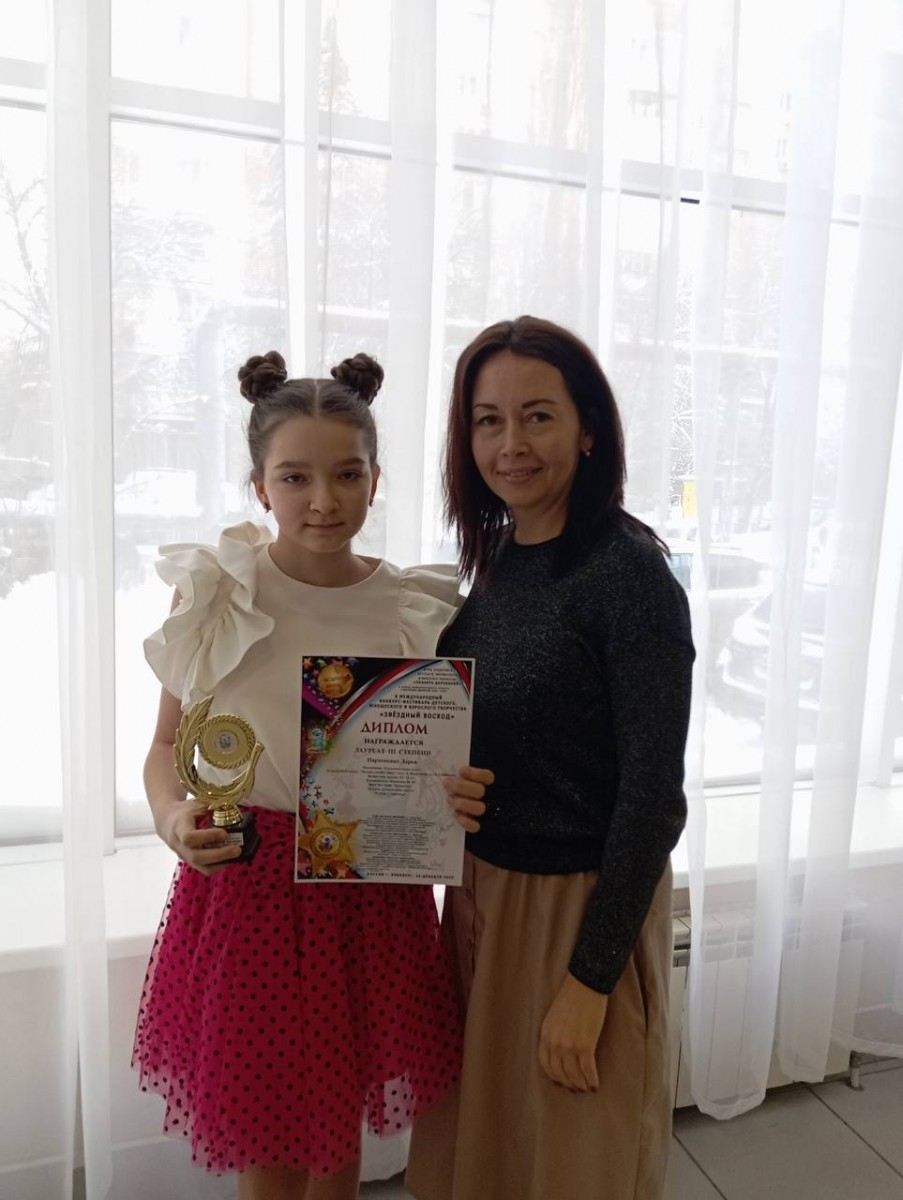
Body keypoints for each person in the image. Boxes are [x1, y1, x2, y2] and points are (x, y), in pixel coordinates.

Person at [132, 350, 491, 1200]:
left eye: (347, 474)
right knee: (267, 1132)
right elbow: (164, 750)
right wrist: (173, 817)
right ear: (260, 487)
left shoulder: (413, 605)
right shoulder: (217, 594)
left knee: (338, 1135)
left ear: (376, 480)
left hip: (367, 892)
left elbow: (431, 751)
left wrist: (457, 790)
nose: (323, 500)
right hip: (248, 888)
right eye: (295, 477)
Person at [406, 317, 695, 1200]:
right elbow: (506, 729)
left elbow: (652, 798)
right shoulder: (498, 562)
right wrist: (449, 783)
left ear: (588, 428)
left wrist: (588, 981)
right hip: (481, 901)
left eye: (537, 416)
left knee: (572, 1168)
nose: (510, 444)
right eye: (487, 421)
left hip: (575, 912)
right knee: (486, 1161)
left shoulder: (628, 575)